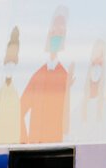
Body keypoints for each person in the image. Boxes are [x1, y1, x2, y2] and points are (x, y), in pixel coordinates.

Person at [20, 6, 72, 144]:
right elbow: (19, 110)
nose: (56, 36)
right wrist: (24, 142)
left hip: (57, 151)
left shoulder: (66, 77)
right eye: (54, 31)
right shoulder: (38, 75)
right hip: (33, 151)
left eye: (60, 32)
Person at [70, 39, 106, 141]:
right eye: (95, 54)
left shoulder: (105, 108)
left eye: (101, 55)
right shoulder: (78, 106)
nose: (97, 60)